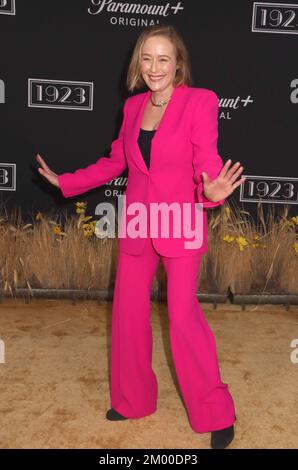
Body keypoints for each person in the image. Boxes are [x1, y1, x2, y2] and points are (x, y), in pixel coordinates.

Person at [36, 24, 245, 449]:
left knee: (183, 318)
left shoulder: (198, 101)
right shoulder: (133, 107)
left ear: (178, 63)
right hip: (137, 223)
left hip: (180, 221)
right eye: (147, 58)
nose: (154, 67)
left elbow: (206, 156)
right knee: (128, 315)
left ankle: (215, 410)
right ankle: (133, 401)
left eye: (163, 58)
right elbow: (116, 161)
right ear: (138, 63)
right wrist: (66, 182)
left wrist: (210, 189)